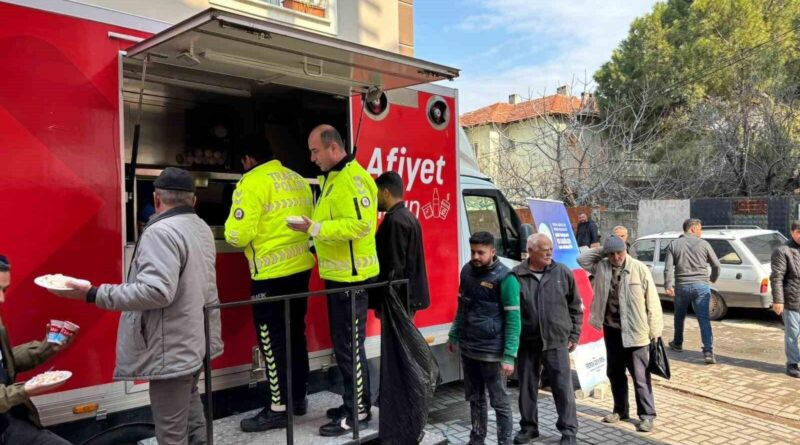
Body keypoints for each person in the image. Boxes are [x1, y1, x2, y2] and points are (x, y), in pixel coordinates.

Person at [52, 168, 224, 445]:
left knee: (171, 435)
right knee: (193, 421)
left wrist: (93, 293)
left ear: (156, 199)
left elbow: (156, 292)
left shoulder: (161, 232)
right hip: (196, 342)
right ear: (193, 201)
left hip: (172, 350)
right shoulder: (201, 228)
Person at [287, 124, 378, 437]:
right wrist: (313, 238)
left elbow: (360, 226)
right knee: (346, 349)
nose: (312, 158)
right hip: (338, 278)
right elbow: (332, 225)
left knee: (350, 349)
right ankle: (354, 403)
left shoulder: (352, 179)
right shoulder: (333, 180)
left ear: (333, 148)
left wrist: (315, 230)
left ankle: (358, 414)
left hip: (352, 282)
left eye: (315, 151)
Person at [224, 137, 315, 431]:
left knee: (272, 343)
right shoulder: (298, 180)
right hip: (300, 271)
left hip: (269, 277)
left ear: (248, 159)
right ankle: (298, 399)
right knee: (295, 335)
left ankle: (278, 408)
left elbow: (237, 236)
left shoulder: (251, 182)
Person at [578, 236, 663, 433]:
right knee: (615, 373)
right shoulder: (602, 267)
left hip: (636, 332)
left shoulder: (639, 268)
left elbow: (653, 302)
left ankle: (647, 416)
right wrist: (604, 250)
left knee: (640, 376)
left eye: (620, 252)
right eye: (612, 253)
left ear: (626, 250)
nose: (616, 257)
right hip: (612, 330)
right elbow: (582, 260)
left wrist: (655, 331)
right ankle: (620, 410)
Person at [446, 231, 520, 445]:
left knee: (499, 402)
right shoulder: (467, 271)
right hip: (469, 349)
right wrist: (453, 334)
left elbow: (514, 319)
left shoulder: (506, 278)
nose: (476, 256)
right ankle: (476, 440)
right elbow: (462, 306)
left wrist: (509, 355)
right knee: (475, 399)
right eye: (473, 252)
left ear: (493, 251)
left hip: (492, 352)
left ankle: (504, 442)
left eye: (481, 252)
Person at [512, 234, 582, 445]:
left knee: (563, 389)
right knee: (526, 387)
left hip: (556, 341)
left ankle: (569, 431)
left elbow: (575, 306)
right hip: (527, 343)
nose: (549, 252)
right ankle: (529, 428)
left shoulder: (562, 272)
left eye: (550, 248)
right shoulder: (516, 275)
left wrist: (574, 334)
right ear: (531, 251)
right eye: (544, 249)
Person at [0, 255, 74, 445]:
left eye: (4, 290)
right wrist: (26, 389)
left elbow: (5, 360)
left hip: (7, 423)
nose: (1, 299)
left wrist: (45, 348)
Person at [372, 171, 430, 315]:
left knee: (395, 338)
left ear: (385, 192)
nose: (374, 199)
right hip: (405, 298)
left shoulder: (395, 220)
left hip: (398, 300)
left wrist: (390, 300)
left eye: (376, 193)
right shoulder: (408, 216)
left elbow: (395, 265)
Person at [664, 218, 720, 364]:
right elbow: (717, 265)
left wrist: (668, 285)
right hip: (701, 286)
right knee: (704, 319)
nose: (701, 232)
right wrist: (712, 278)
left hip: (682, 286)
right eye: (700, 228)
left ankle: (678, 343)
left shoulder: (674, 244)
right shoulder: (704, 244)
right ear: (693, 229)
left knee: (679, 316)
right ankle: (708, 351)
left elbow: (668, 268)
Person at [770, 220, 800, 378]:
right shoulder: (782, 251)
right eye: (799, 232)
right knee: (793, 334)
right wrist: (778, 300)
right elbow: (776, 278)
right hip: (792, 300)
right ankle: (793, 363)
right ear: (792, 232)